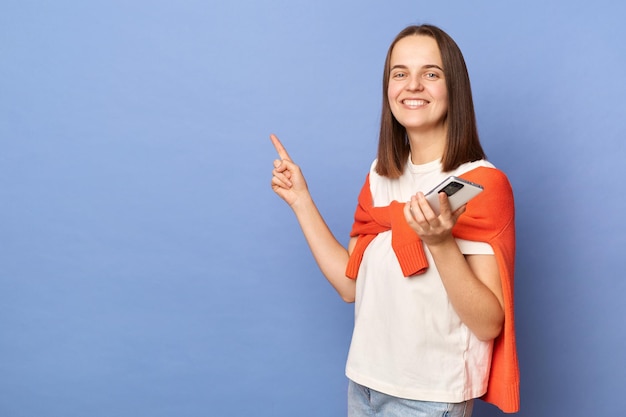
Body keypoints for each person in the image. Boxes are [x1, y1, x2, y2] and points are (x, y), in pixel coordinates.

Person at [270, 24, 519, 416]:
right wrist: (301, 201)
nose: (413, 85)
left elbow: (489, 323)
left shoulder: (477, 185)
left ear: (454, 88)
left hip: (430, 397)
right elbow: (349, 286)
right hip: (364, 384)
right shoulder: (380, 177)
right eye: (400, 73)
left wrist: (439, 243)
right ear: (388, 91)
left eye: (431, 74)